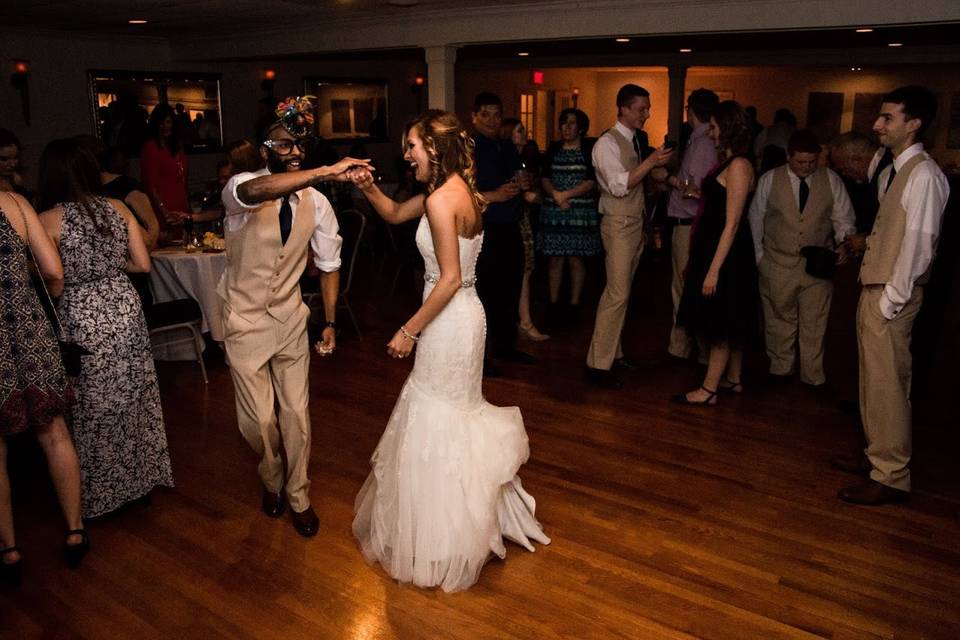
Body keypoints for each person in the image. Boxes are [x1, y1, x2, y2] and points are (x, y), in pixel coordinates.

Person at [347, 110, 549, 593]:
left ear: (433, 150)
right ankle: (467, 522)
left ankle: (444, 538)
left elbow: (451, 278)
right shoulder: (460, 191)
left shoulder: (441, 200)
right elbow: (396, 214)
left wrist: (409, 330)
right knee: (453, 415)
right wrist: (368, 187)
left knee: (437, 416)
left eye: (412, 146)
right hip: (463, 317)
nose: (406, 154)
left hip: (447, 319)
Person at [219, 96, 368, 537]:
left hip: (289, 320)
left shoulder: (316, 204)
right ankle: (271, 474)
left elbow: (329, 263)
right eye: (284, 146)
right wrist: (325, 170)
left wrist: (329, 321)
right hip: (244, 322)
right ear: (265, 150)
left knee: (296, 414)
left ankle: (299, 494)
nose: (294, 153)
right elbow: (254, 193)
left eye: (300, 146)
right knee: (259, 422)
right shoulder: (240, 186)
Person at [37, 138, 174, 519]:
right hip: (125, 308)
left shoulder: (47, 219)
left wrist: (83, 276)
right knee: (134, 395)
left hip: (84, 313)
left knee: (94, 406)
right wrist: (109, 270)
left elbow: (56, 279)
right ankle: (139, 483)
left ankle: (99, 495)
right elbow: (143, 264)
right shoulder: (116, 207)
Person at [831, 86, 950, 505]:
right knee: (874, 384)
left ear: (913, 124)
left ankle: (890, 476)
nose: (878, 125)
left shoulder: (924, 175)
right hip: (877, 288)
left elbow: (919, 247)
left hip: (891, 296)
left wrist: (890, 301)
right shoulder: (900, 170)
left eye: (888, 118)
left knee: (889, 388)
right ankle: (875, 457)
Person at [0, 191, 87, 586]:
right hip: (29, 330)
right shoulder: (15, 204)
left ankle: (10, 551)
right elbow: (53, 270)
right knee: (54, 432)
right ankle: (74, 531)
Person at [748, 129, 856, 387]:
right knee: (777, 320)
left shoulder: (831, 179)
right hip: (777, 262)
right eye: (800, 162)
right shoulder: (769, 180)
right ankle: (780, 369)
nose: (806, 167)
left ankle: (812, 376)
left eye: (811, 162)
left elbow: (843, 218)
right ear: (789, 156)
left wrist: (844, 243)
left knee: (815, 322)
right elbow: (756, 220)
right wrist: (759, 258)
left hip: (817, 265)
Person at [585, 84, 673, 388]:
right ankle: (597, 366)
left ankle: (615, 353)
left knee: (622, 292)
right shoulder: (606, 144)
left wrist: (663, 177)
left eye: (647, 109)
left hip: (635, 223)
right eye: (641, 109)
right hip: (618, 224)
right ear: (622, 109)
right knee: (616, 293)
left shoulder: (636, 140)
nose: (646, 114)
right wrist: (650, 163)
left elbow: (639, 181)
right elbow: (618, 186)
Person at [674, 101, 757, 404]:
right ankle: (733, 379)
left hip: (727, 254)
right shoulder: (732, 162)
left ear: (728, 127)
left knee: (720, 320)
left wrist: (713, 269)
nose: (711, 133)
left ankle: (708, 390)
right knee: (729, 318)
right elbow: (721, 204)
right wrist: (699, 193)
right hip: (716, 247)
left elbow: (732, 223)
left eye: (714, 127)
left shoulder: (739, 165)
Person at [472, 93, 536, 373]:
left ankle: (505, 347)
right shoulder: (469, 149)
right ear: (474, 117)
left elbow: (521, 174)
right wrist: (494, 195)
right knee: (486, 293)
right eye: (485, 114)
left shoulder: (505, 145)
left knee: (510, 287)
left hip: (510, 226)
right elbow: (459, 193)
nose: (492, 120)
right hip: (484, 228)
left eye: (496, 115)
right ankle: (481, 358)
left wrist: (524, 180)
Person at [664, 89, 720, 361]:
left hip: (688, 224)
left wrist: (668, 178)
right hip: (689, 223)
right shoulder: (701, 141)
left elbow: (695, 189)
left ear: (690, 111)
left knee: (683, 287)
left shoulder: (702, 143)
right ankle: (692, 349)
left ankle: (683, 349)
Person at [539, 108, 599, 327]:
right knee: (555, 258)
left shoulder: (588, 149)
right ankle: (553, 305)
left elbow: (592, 180)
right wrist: (556, 195)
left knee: (576, 258)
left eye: (571, 123)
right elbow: (544, 176)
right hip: (555, 209)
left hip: (579, 210)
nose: (567, 127)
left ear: (580, 127)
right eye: (563, 123)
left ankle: (574, 306)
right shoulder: (554, 148)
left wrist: (567, 195)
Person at [500, 117, 548, 342]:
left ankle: (524, 321)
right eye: (519, 131)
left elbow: (535, 194)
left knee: (526, 270)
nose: (525, 133)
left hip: (524, 218)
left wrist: (531, 194)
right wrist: (523, 193)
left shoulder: (525, 160)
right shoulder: (503, 159)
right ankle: (522, 322)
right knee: (516, 272)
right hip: (509, 220)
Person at [141, 103, 190, 243]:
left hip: (181, 208)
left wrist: (187, 209)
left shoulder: (177, 147)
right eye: (161, 123)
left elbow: (183, 181)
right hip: (162, 211)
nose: (165, 126)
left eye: (168, 122)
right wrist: (165, 213)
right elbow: (150, 186)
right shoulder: (150, 148)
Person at [0, 129, 29, 197]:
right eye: (4, 159)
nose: (13, 164)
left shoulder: (15, 181)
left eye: (15, 158)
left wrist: (19, 188)